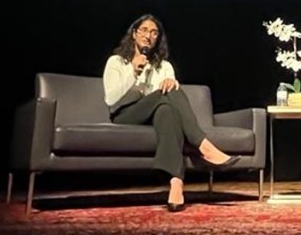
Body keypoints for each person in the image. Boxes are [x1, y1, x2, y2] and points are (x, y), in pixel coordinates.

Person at [103, 14, 240, 212]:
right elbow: (112, 100)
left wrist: (171, 82)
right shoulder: (116, 62)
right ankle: (205, 146)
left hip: (155, 115)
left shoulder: (164, 66)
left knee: (167, 109)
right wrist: (133, 72)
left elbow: (167, 97)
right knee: (166, 96)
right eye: (144, 30)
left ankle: (176, 184)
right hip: (125, 115)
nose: (148, 35)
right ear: (134, 34)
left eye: (154, 32)